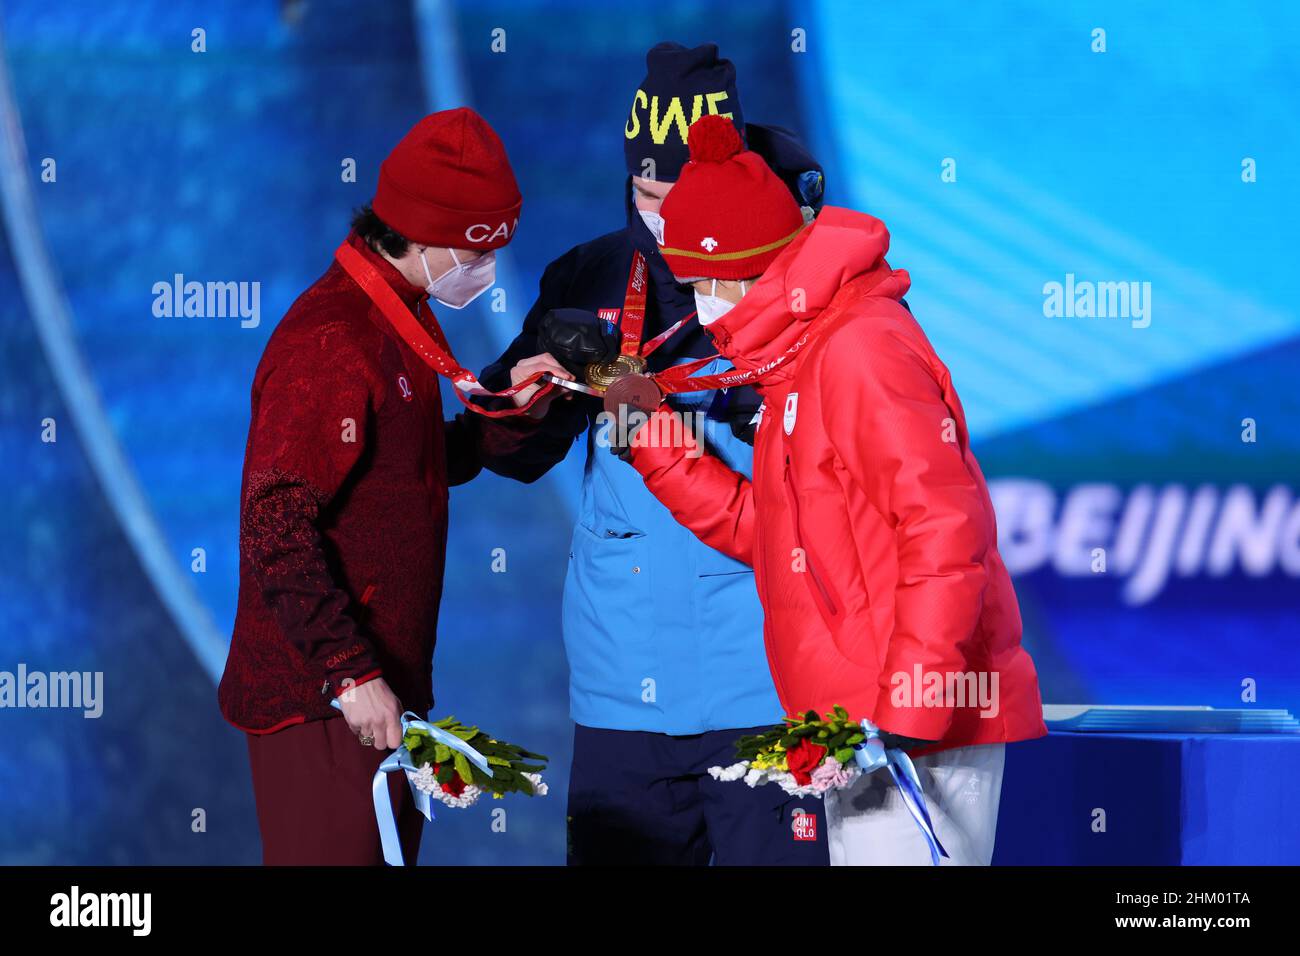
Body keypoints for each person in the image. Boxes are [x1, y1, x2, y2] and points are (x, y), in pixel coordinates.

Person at [615, 114, 1048, 865]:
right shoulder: (800, 356)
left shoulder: (858, 351)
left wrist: (915, 698)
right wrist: (650, 439)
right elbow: (774, 538)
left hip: (913, 721)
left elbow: (946, 525)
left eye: (699, 283)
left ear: (736, 266)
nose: (699, 307)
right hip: (856, 720)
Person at [477, 42, 830, 865]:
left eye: (684, 194)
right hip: (621, 693)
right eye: (645, 192)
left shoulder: (797, 278)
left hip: (767, 686)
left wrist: (723, 397)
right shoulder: (591, 273)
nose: (665, 216)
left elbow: (829, 460)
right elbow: (514, 453)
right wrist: (523, 392)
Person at [217, 108, 572, 865]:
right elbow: (274, 525)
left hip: (377, 688)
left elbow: (405, 466)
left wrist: (508, 410)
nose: (491, 269)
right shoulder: (334, 341)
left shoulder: (398, 316)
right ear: (433, 234)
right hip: (319, 700)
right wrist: (348, 674)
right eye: (487, 249)